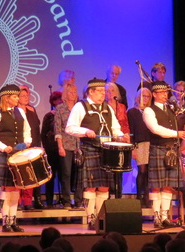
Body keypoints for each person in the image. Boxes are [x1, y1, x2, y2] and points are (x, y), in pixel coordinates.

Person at [66, 78, 124, 229]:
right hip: (90, 149)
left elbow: (115, 128)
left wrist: (120, 135)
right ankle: (90, 218)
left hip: (106, 151)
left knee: (104, 186)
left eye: (104, 91)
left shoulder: (108, 107)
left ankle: (100, 218)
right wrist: (85, 131)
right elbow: (70, 128)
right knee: (90, 186)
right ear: (90, 92)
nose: (103, 94)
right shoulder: (81, 106)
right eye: (99, 91)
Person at [0, 84, 32, 232]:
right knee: (7, 187)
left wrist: (26, 142)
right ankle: (5, 222)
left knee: (16, 187)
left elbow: (27, 131)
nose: (18, 99)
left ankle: (13, 220)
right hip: (4, 153)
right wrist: (3, 147)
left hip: (18, 154)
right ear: (7, 98)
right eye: (15, 96)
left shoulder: (20, 112)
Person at [143, 81, 185, 228]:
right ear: (154, 94)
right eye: (161, 92)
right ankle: (156, 218)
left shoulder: (171, 109)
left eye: (166, 92)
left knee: (168, 185)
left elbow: (178, 125)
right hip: (158, 149)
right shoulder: (149, 110)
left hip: (172, 149)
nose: (164, 95)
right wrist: (177, 133)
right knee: (157, 185)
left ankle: (164, 217)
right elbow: (156, 129)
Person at [54, 70, 79, 208]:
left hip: (78, 145)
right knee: (66, 173)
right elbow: (58, 129)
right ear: (65, 94)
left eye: (74, 92)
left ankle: (79, 200)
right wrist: (60, 146)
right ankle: (66, 200)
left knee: (79, 174)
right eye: (70, 92)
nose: (73, 95)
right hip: (66, 144)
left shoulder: (79, 108)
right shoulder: (60, 109)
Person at [17, 86, 43, 210]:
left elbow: (36, 129)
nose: (26, 98)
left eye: (27, 96)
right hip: (17, 146)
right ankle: (16, 202)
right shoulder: (13, 110)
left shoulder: (32, 110)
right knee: (18, 175)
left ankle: (27, 202)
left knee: (29, 174)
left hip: (31, 146)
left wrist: (37, 146)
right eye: (23, 96)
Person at [127, 88, 153, 207]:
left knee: (149, 172)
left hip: (151, 143)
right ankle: (139, 196)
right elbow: (131, 130)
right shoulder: (132, 112)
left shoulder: (151, 111)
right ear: (138, 97)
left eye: (148, 96)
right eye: (143, 96)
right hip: (140, 144)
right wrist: (133, 147)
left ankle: (147, 197)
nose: (145, 98)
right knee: (142, 170)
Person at [106, 82, 130, 197]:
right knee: (108, 170)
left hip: (120, 141)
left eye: (112, 90)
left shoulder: (121, 106)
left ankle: (118, 196)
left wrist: (127, 139)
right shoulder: (103, 106)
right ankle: (108, 195)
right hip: (107, 142)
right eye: (107, 91)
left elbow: (125, 124)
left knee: (119, 169)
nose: (110, 93)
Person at [41, 91, 63, 208]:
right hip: (51, 151)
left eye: (61, 99)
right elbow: (43, 134)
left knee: (63, 176)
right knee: (50, 177)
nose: (59, 101)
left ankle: (64, 199)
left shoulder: (65, 114)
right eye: (57, 100)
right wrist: (46, 149)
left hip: (63, 150)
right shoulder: (49, 116)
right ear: (53, 102)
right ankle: (49, 201)